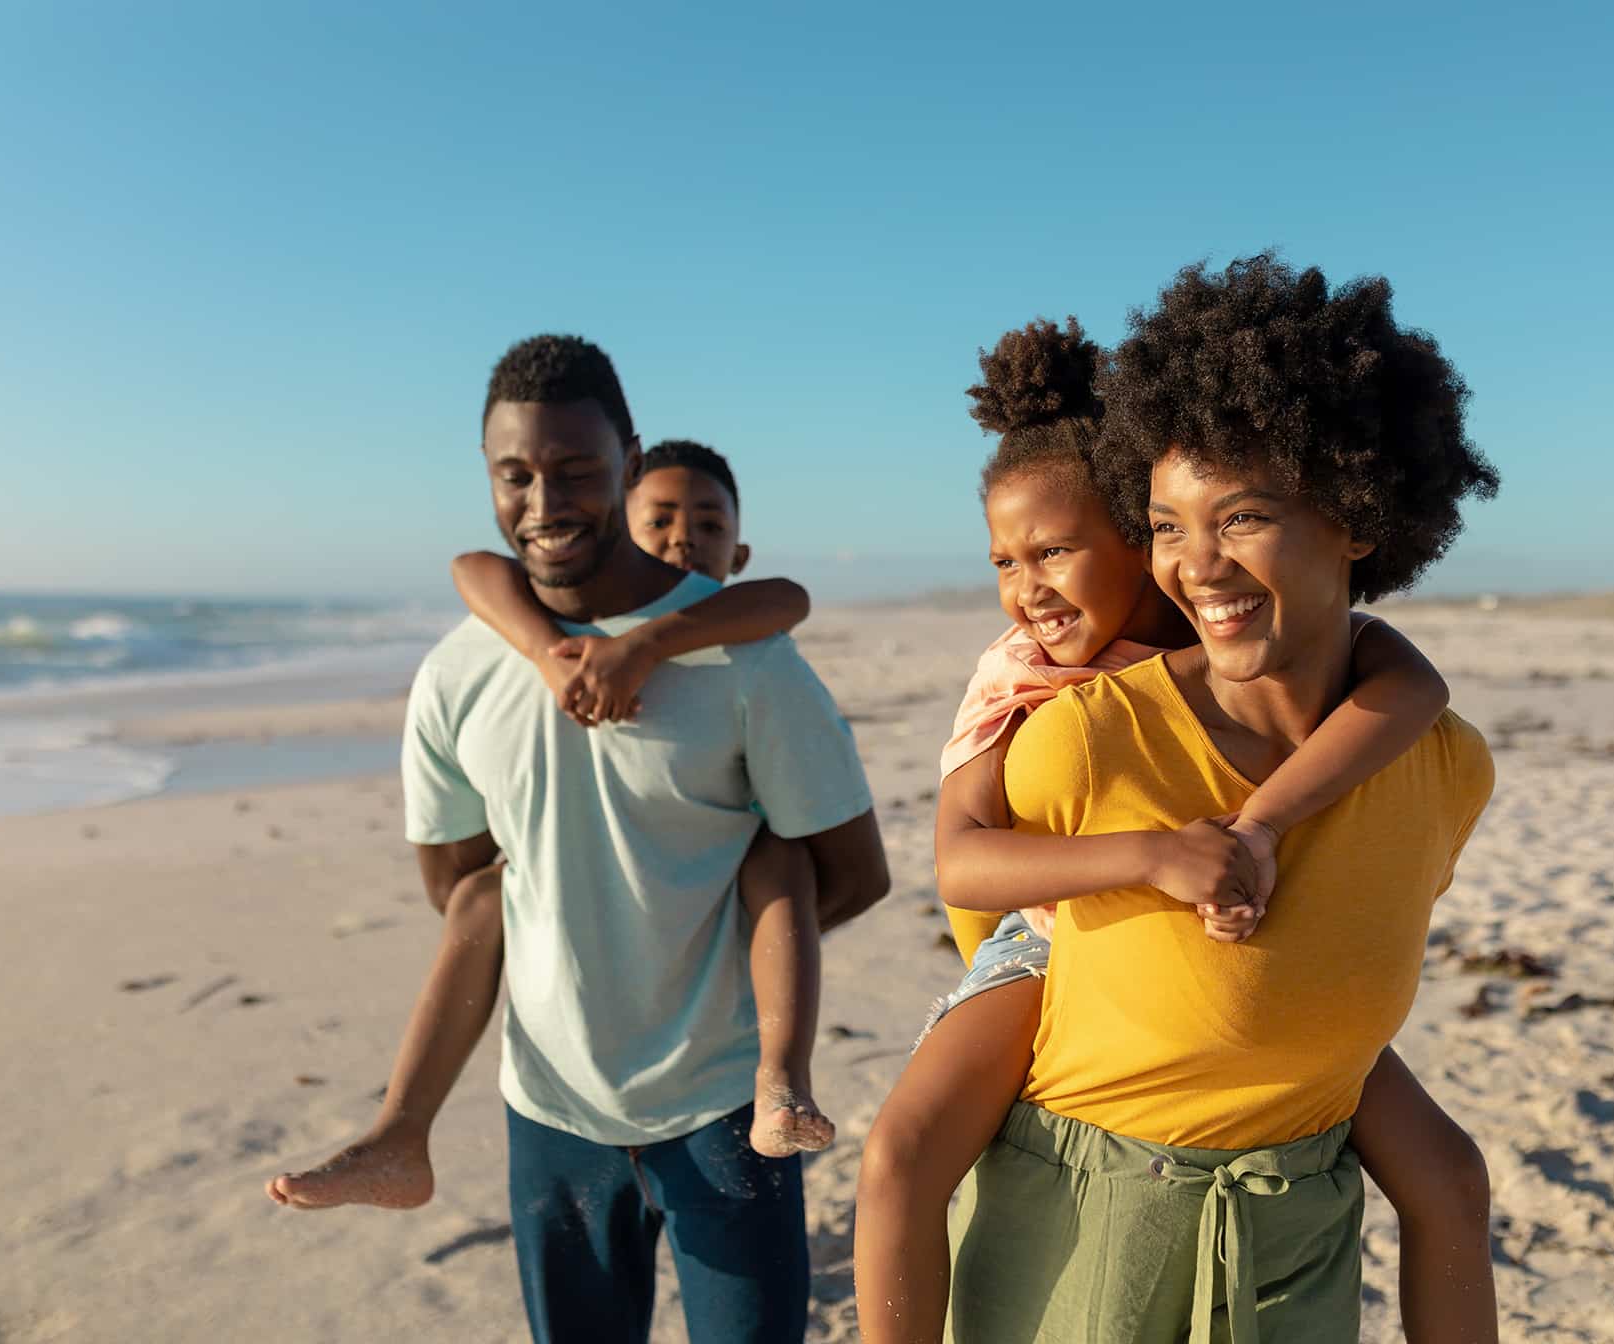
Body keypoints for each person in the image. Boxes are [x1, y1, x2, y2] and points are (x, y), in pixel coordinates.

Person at [940, 259, 1500, 1342]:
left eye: (1239, 517)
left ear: (1359, 513)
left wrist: (1263, 828)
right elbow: (978, 907)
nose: (1196, 565)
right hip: (1086, 1253)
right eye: (1164, 525)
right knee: (898, 1157)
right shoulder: (1079, 741)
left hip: (1294, 1253)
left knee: (1453, 1179)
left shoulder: (1442, 768)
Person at [289, 334, 887, 1344]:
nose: (544, 501)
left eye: (574, 470)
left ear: (626, 457)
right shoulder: (457, 674)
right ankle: (400, 1130)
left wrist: (698, 959)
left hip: (723, 1105)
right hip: (551, 1111)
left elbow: (855, 873)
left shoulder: (744, 660)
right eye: (514, 474)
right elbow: (461, 888)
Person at [265, 442, 838, 1224]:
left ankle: (781, 1078)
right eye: (660, 519)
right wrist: (548, 654)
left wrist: (645, 644)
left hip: (725, 977)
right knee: (480, 892)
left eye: (707, 525)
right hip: (554, 1082)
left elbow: (788, 596)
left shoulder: (743, 647)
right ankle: (400, 1129)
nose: (682, 539)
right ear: (617, 526)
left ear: (734, 550)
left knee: (780, 862)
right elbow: (472, 566)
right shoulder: (508, 647)